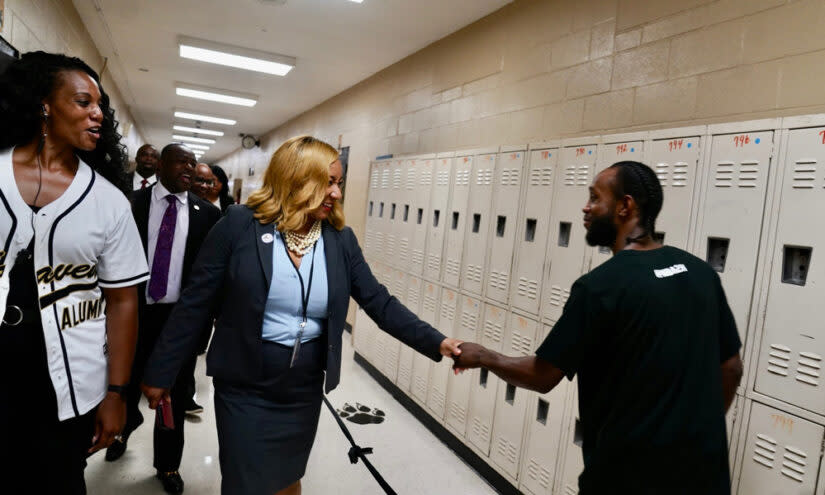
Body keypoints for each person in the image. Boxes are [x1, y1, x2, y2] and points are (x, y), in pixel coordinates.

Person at [141, 135, 463, 495]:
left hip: (302, 389)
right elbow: (195, 302)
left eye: (339, 183)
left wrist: (439, 342)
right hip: (245, 383)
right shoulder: (238, 225)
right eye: (328, 182)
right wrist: (161, 370)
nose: (337, 193)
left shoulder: (339, 240)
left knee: (287, 478)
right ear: (294, 178)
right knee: (245, 481)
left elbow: (379, 302)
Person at [452, 161, 744, 494]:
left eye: (595, 197)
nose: (586, 207)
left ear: (625, 206)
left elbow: (542, 375)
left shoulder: (600, 287)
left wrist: (484, 356)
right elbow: (731, 368)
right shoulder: (700, 273)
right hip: (705, 475)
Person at [0, 51, 149, 494]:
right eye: (83, 102)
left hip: (66, 380)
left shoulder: (108, 202)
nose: (97, 114)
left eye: (100, 106)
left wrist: (117, 393)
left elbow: (123, 301)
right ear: (44, 104)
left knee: (59, 481)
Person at [104, 143, 221, 494]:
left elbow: (210, 279)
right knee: (124, 381)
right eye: (181, 161)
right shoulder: (132, 205)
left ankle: (168, 466)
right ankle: (123, 429)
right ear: (161, 166)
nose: (189, 168)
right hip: (134, 313)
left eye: (193, 163)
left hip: (179, 320)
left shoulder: (207, 216)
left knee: (174, 393)